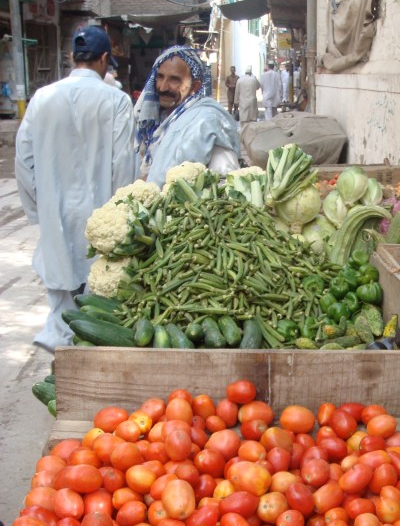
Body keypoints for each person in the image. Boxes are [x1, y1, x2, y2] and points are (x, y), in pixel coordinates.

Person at [15, 25, 138, 353]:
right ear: (103, 60)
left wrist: (37, 207)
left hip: (55, 212)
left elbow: (24, 160)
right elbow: (123, 166)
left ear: (72, 58)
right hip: (99, 214)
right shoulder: (116, 101)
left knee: (62, 302)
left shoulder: (41, 98)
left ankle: (62, 359)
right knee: (99, 308)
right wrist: (124, 218)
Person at [134, 45, 240, 186]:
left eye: (174, 80)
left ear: (195, 87)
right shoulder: (165, 120)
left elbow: (226, 180)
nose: (163, 87)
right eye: (160, 77)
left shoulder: (207, 119)